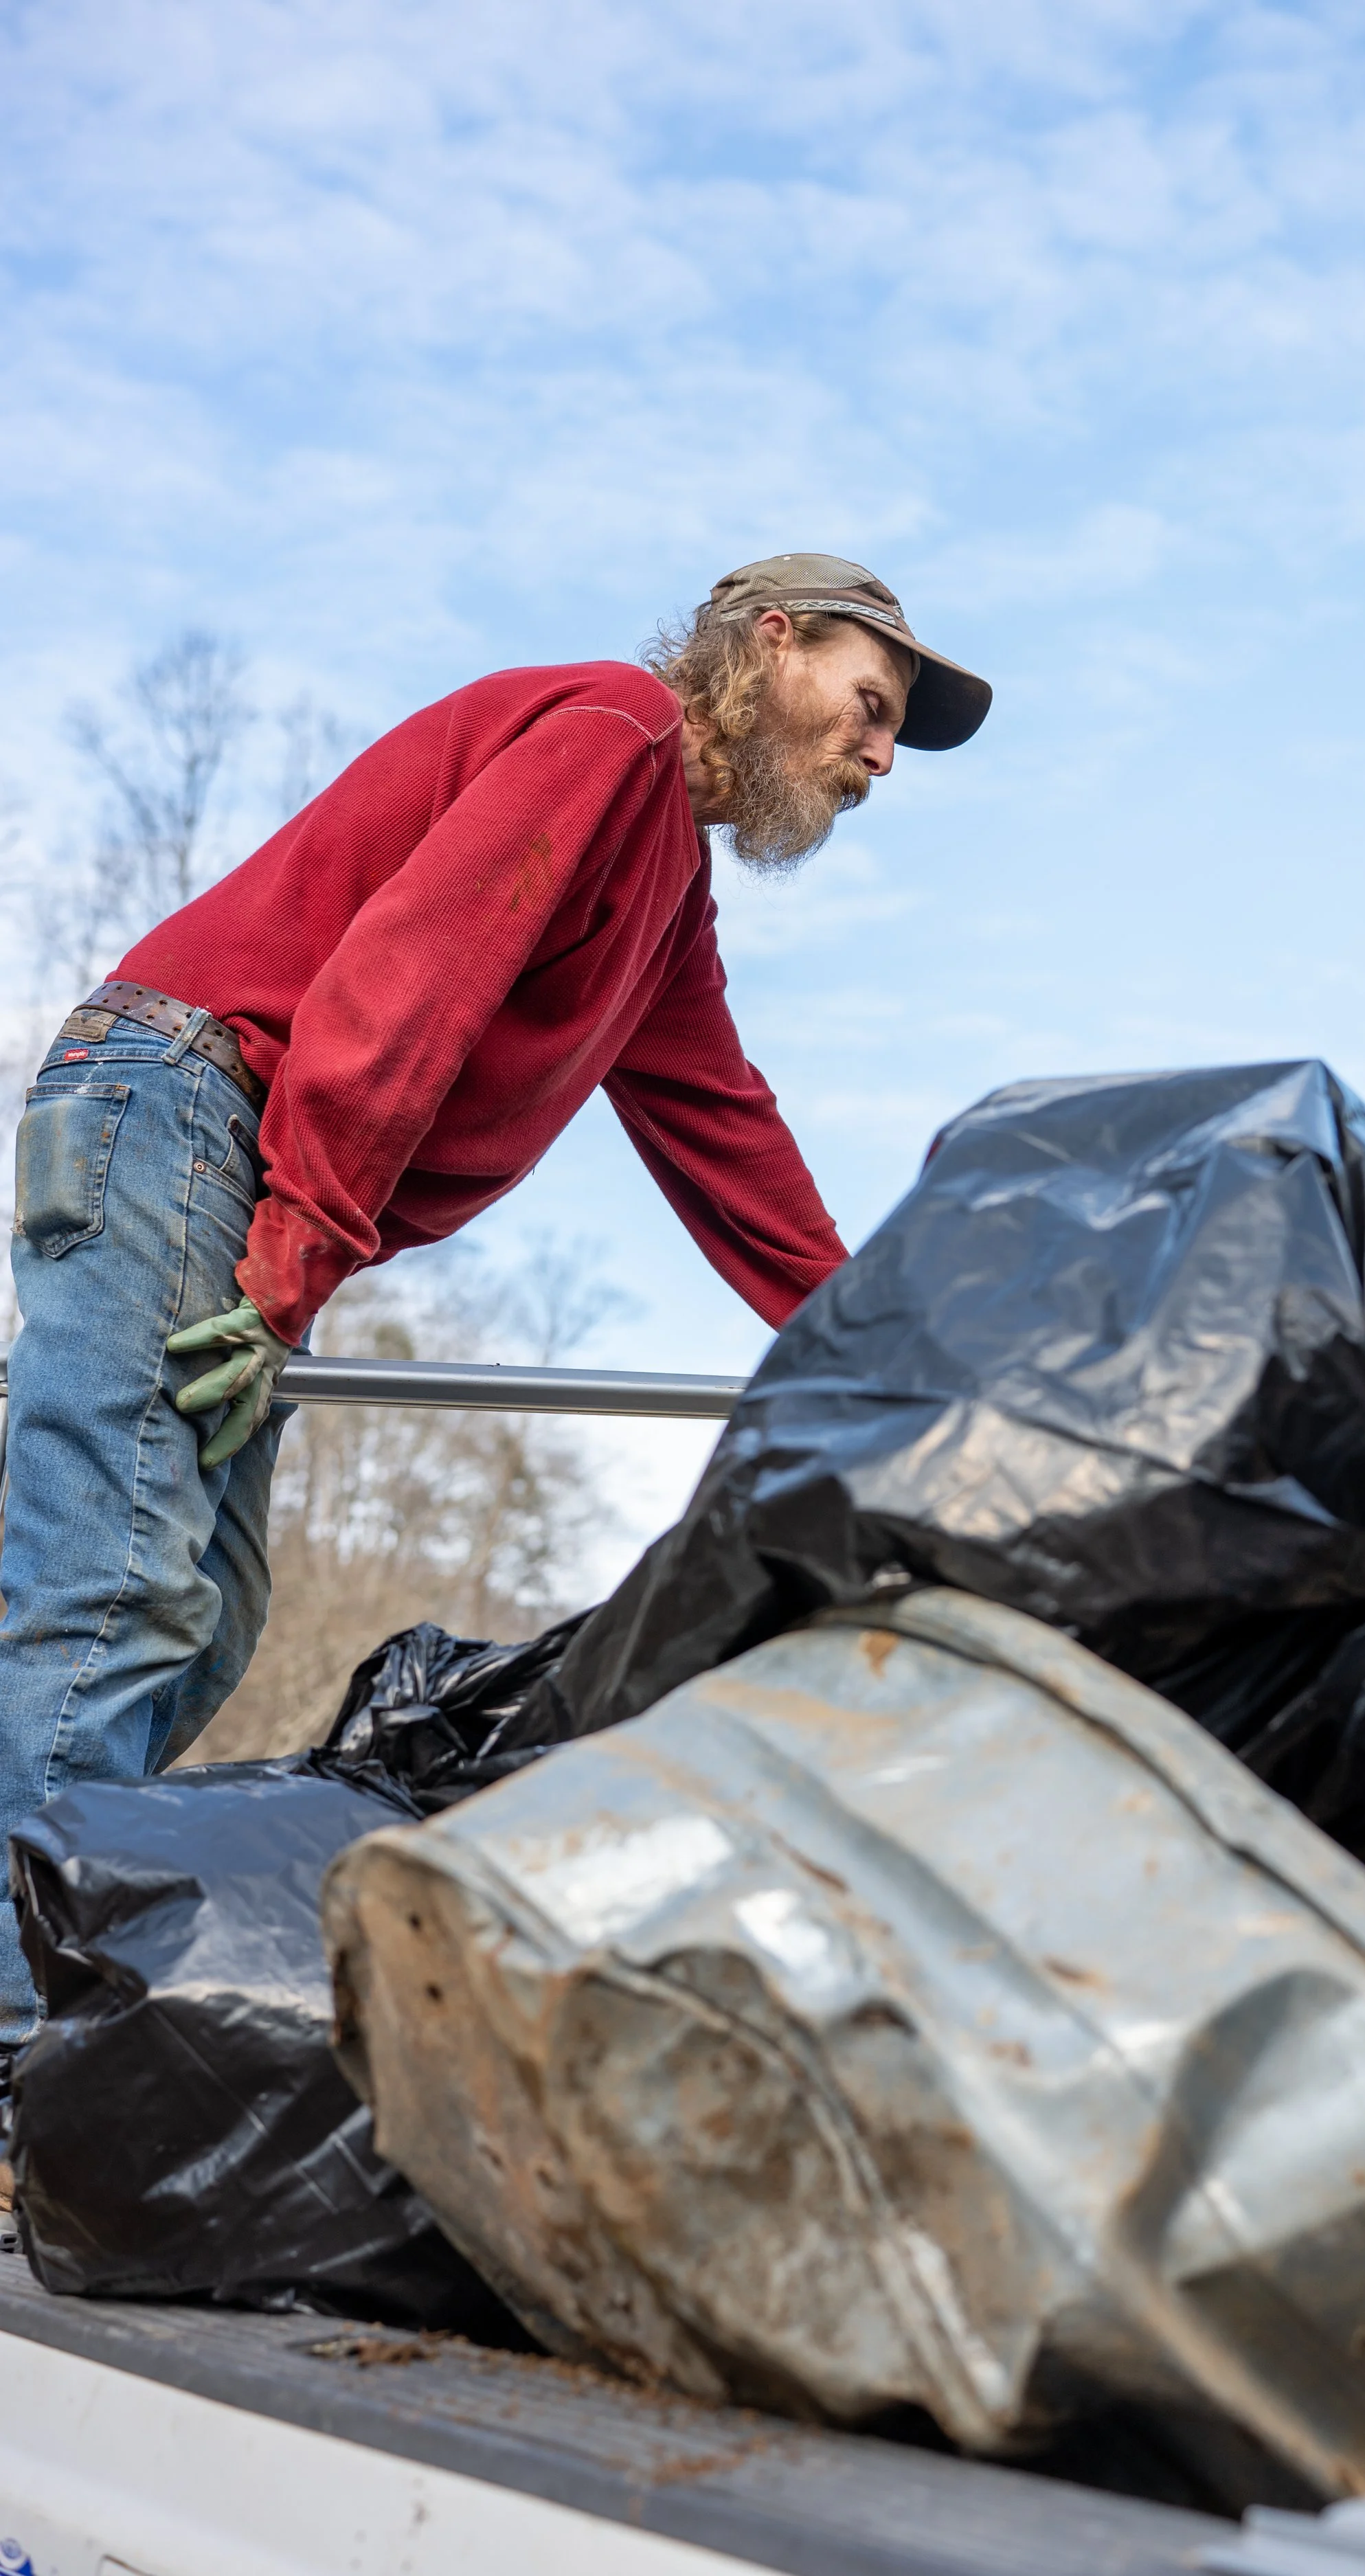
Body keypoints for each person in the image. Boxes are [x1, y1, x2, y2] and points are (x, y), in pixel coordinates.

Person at [0, 554, 990, 2044]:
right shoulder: (610, 736)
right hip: (182, 1104)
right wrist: (301, 1248)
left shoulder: (666, 886)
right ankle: (23, 2055)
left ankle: (39, 1988)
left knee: (204, 1618)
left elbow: (726, 1133)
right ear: (770, 645)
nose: (879, 756)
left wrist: (880, 1353)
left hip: (235, 1160)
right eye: (869, 706)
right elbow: (409, 982)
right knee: (113, 1589)